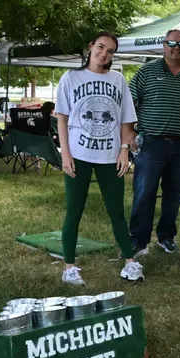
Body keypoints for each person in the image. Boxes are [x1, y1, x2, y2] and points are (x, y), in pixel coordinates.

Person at [55, 31, 141, 286]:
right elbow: (62, 118)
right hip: (79, 154)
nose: (104, 54)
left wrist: (124, 149)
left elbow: (127, 119)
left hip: (109, 155)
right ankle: (69, 266)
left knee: (117, 211)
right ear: (91, 46)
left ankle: (130, 262)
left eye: (110, 51)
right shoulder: (70, 78)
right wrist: (65, 154)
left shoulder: (118, 80)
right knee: (74, 210)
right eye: (101, 47)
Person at [129, 29, 180, 257]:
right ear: (163, 45)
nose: (176, 47)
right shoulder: (146, 72)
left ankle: (166, 236)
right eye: (172, 43)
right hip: (152, 143)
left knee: (174, 194)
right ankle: (138, 240)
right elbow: (129, 103)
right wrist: (129, 133)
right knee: (144, 192)